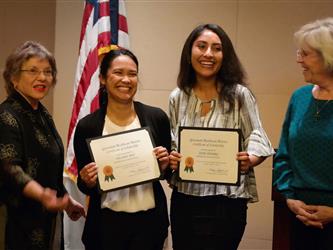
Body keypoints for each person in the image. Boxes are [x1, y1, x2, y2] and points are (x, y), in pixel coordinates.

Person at [168, 23, 274, 250]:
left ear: (225, 56)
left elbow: (257, 134)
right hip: (185, 200)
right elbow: (173, 140)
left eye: (217, 48)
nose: (208, 54)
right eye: (201, 46)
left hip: (227, 203)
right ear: (189, 53)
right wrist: (173, 157)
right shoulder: (178, 97)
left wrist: (251, 158)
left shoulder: (239, 95)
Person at [73, 48, 171, 250]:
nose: (126, 80)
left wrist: (164, 165)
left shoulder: (157, 118)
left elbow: (166, 174)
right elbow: (84, 184)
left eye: (132, 74)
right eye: (118, 73)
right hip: (106, 226)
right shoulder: (87, 126)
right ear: (102, 78)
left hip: (149, 224)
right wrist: (85, 179)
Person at [0, 41, 85, 250]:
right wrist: (42, 195)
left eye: (48, 71)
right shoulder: (6, 115)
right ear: (13, 78)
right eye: (33, 71)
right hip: (17, 219)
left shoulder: (42, 114)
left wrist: (65, 199)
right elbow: (9, 168)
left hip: (44, 218)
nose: (43, 78)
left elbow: (49, 167)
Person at [273, 17, 333, 250]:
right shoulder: (299, 97)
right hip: (299, 216)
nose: (299, 60)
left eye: (305, 54)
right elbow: (284, 154)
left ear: (327, 56)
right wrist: (290, 198)